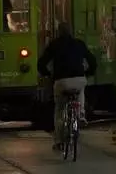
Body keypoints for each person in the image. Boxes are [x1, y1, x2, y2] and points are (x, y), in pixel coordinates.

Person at [38, 22, 97, 151]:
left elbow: (41, 63)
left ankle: (59, 142)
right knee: (81, 90)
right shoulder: (79, 44)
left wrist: (48, 75)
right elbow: (92, 62)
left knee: (59, 110)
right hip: (79, 79)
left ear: (59, 32)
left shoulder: (54, 45)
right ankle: (81, 114)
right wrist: (87, 73)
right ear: (71, 32)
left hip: (61, 82)